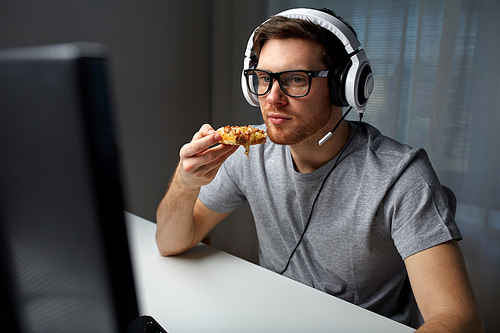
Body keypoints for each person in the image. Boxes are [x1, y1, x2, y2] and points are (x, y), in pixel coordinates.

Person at [156, 7, 483, 332]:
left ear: (345, 87)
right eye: (264, 79)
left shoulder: (401, 176)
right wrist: (185, 184)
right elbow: (170, 242)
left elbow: (459, 319)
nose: (273, 98)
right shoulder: (247, 152)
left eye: (296, 80)